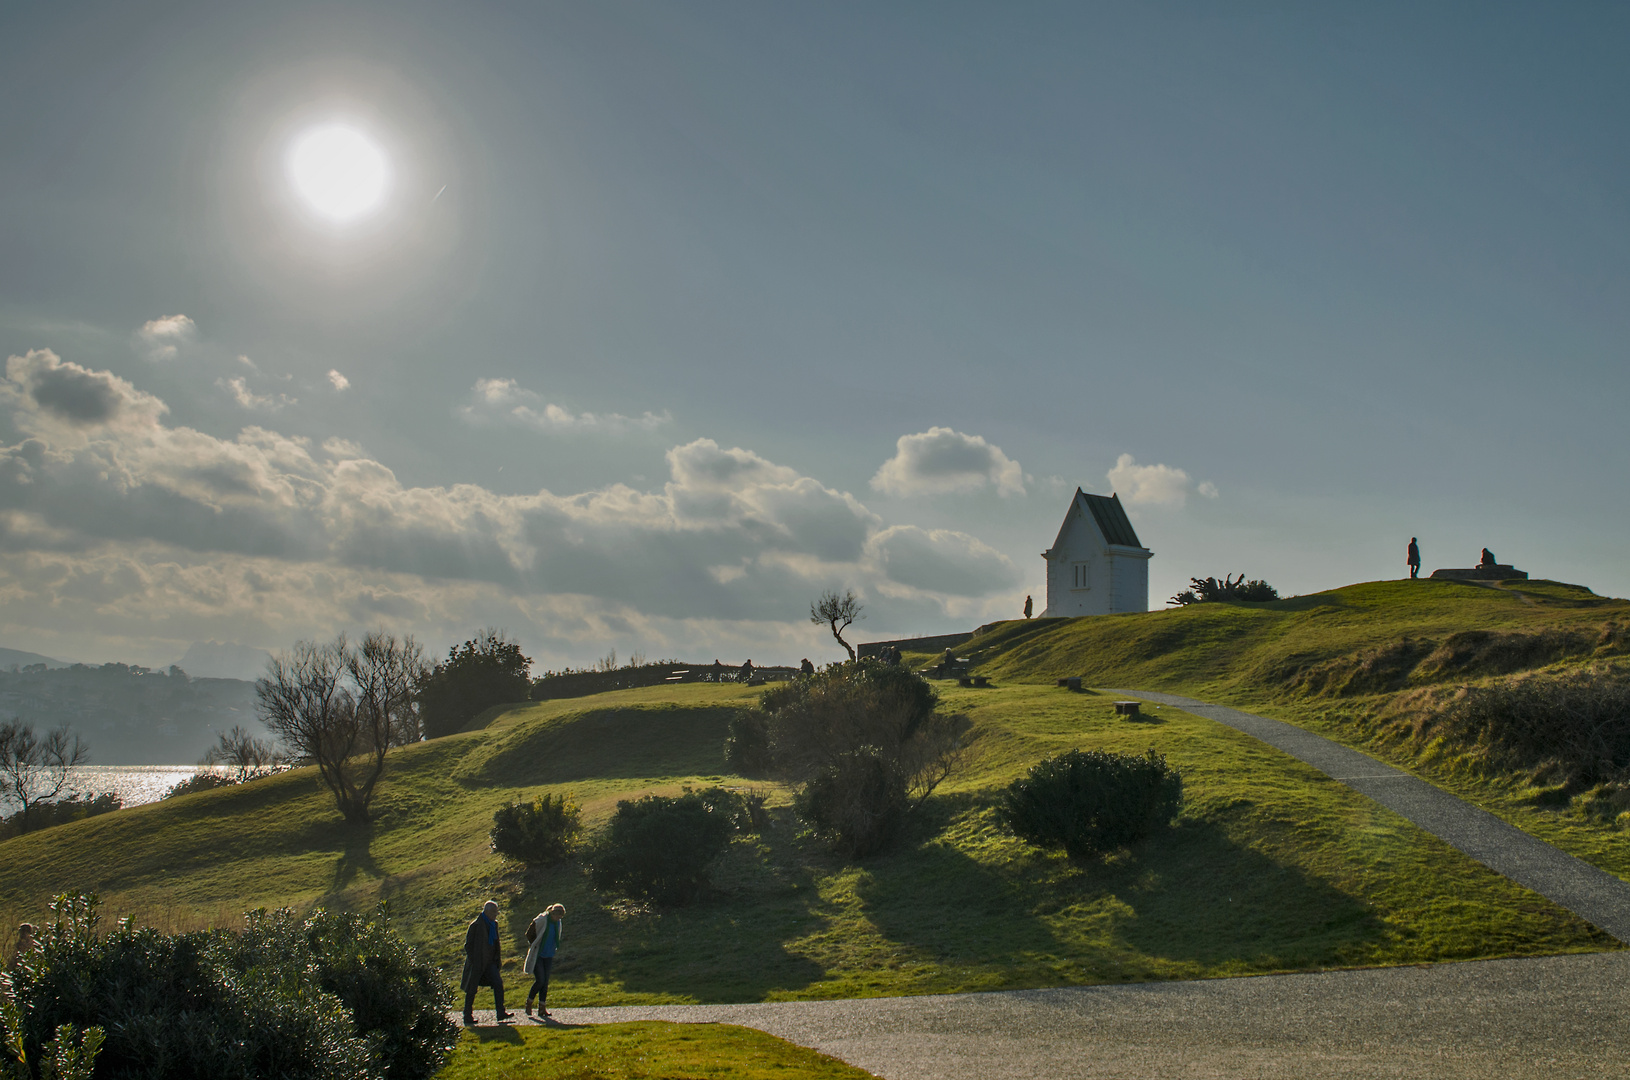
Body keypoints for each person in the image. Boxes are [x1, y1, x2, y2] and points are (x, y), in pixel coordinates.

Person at [461, 900, 512, 1025]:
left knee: (498, 983)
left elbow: (495, 944)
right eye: (494, 912)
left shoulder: (494, 924)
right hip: (477, 963)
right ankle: (467, 1016)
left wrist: (496, 960)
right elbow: (468, 945)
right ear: (487, 912)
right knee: (471, 990)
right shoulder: (476, 925)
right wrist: (475, 960)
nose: (496, 915)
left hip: (490, 963)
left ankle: (500, 1013)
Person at [523, 904, 565, 1019]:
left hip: (549, 955)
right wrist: (534, 944)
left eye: (561, 916)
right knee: (540, 980)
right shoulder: (542, 920)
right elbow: (529, 933)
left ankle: (542, 1008)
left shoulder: (558, 923)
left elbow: (557, 937)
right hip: (539, 954)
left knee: (545, 982)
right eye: (558, 916)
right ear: (553, 913)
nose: (559, 918)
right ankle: (529, 1002)